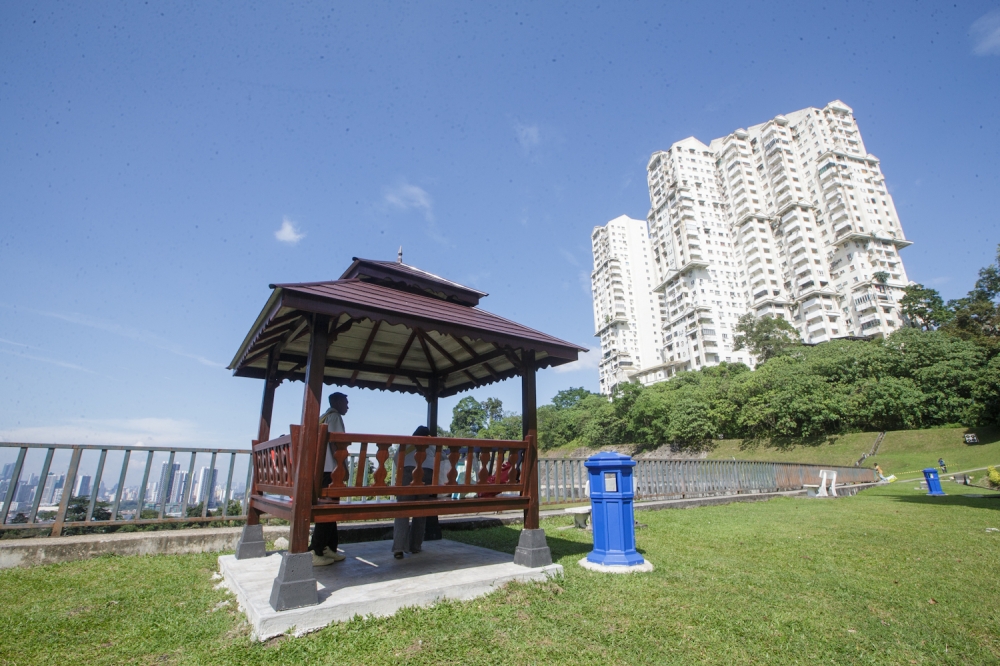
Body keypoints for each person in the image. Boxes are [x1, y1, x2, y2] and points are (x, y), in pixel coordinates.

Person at [309, 392, 349, 566]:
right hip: (330, 470)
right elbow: (337, 443)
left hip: (320, 470)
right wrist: (342, 467)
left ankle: (329, 548)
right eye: (346, 403)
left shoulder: (322, 417)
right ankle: (315, 550)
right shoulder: (335, 417)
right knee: (328, 510)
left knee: (330, 509)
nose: (347, 406)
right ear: (338, 402)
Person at [392, 425, 437, 559]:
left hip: (407, 475)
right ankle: (415, 546)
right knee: (420, 511)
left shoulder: (405, 444)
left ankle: (399, 548)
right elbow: (441, 460)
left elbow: (396, 460)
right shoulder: (431, 446)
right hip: (427, 476)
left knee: (402, 511)